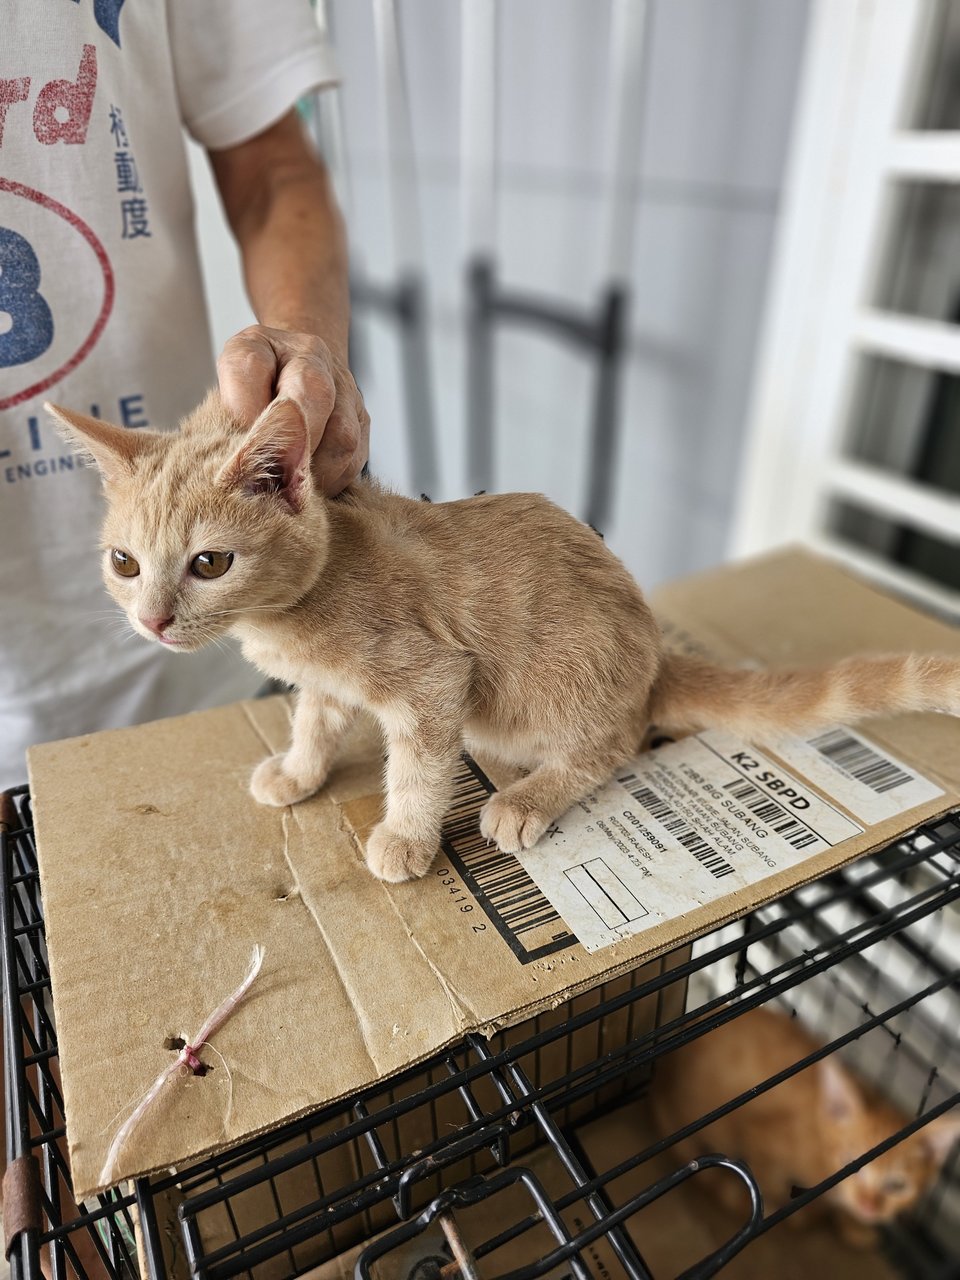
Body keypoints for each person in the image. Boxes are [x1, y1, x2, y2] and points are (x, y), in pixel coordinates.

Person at [0, 0, 369, 790]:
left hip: (215, 662)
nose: (151, 615)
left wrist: (310, 349)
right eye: (125, 567)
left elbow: (273, 166)